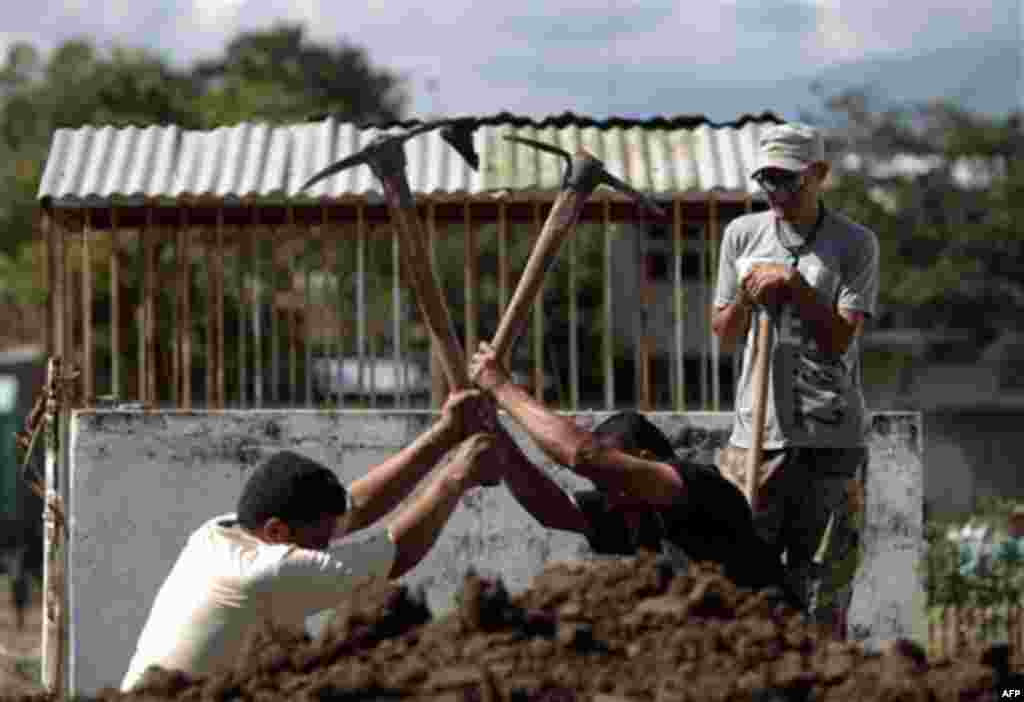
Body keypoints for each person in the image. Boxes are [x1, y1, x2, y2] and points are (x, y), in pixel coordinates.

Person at [121, 390, 499, 691]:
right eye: (319, 541)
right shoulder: (270, 572)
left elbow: (355, 508)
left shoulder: (216, 533)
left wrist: (445, 434)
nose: (326, 548)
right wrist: (456, 478)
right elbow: (393, 555)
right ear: (276, 532)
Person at [710, 122, 880, 637]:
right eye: (767, 181)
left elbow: (838, 342)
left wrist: (795, 286)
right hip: (754, 443)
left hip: (829, 440)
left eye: (788, 181)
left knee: (824, 595)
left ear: (819, 174)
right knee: (747, 591)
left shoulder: (855, 245)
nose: (776, 193)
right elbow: (722, 332)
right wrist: (746, 292)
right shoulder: (742, 235)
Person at [468, 342, 796, 605]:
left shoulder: (699, 487)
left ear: (645, 459)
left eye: (615, 477)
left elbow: (584, 456)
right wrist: (494, 431)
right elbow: (551, 509)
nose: (610, 494)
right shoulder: (630, 507)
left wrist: (501, 388)